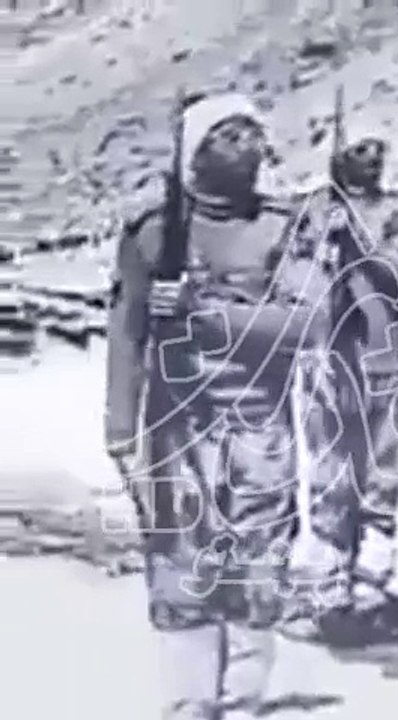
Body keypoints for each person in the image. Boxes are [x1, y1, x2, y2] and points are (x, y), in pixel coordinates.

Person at [104, 92, 327, 719]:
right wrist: (120, 431)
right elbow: (126, 334)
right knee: (180, 561)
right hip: (175, 431)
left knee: (258, 563)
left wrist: (207, 313)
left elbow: (307, 323)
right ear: (193, 153)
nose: (244, 145)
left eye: (250, 132)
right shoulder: (152, 233)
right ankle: (191, 700)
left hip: (260, 426)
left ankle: (243, 696)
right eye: (225, 134)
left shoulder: (285, 229)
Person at [286, 125, 398, 648]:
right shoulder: (310, 210)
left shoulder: (397, 213)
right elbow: (289, 275)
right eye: (357, 150)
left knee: (380, 467)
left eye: (375, 150)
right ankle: (327, 583)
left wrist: (359, 242)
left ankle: (371, 579)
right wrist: (322, 244)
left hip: (381, 352)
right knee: (330, 466)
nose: (368, 159)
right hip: (326, 351)